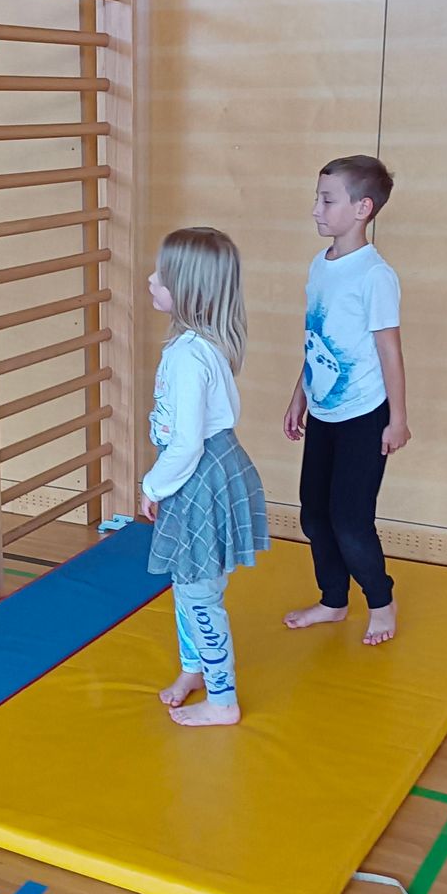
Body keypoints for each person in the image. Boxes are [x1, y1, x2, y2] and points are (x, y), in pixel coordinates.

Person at [139, 228, 269, 727]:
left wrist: (153, 485)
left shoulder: (188, 357)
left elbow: (187, 443)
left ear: (187, 290)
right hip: (205, 472)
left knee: (198, 592)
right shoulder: (197, 344)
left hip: (199, 475)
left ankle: (222, 698)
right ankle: (195, 669)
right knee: (186, 581)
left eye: (162, 276)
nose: (152, 279)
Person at [282, 155, 409, 645]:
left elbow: (389, 351)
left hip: (364, 416)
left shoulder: (374, 276)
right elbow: (319, 340)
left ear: (362, 208)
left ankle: (381, 599)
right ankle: (334, 600)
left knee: (350, 521)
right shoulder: (322, 264)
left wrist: (397, 419)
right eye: (317, 198)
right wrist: (300, 396)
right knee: (314, 514)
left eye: (327, 200)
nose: (316, 209)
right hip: (325, 411)